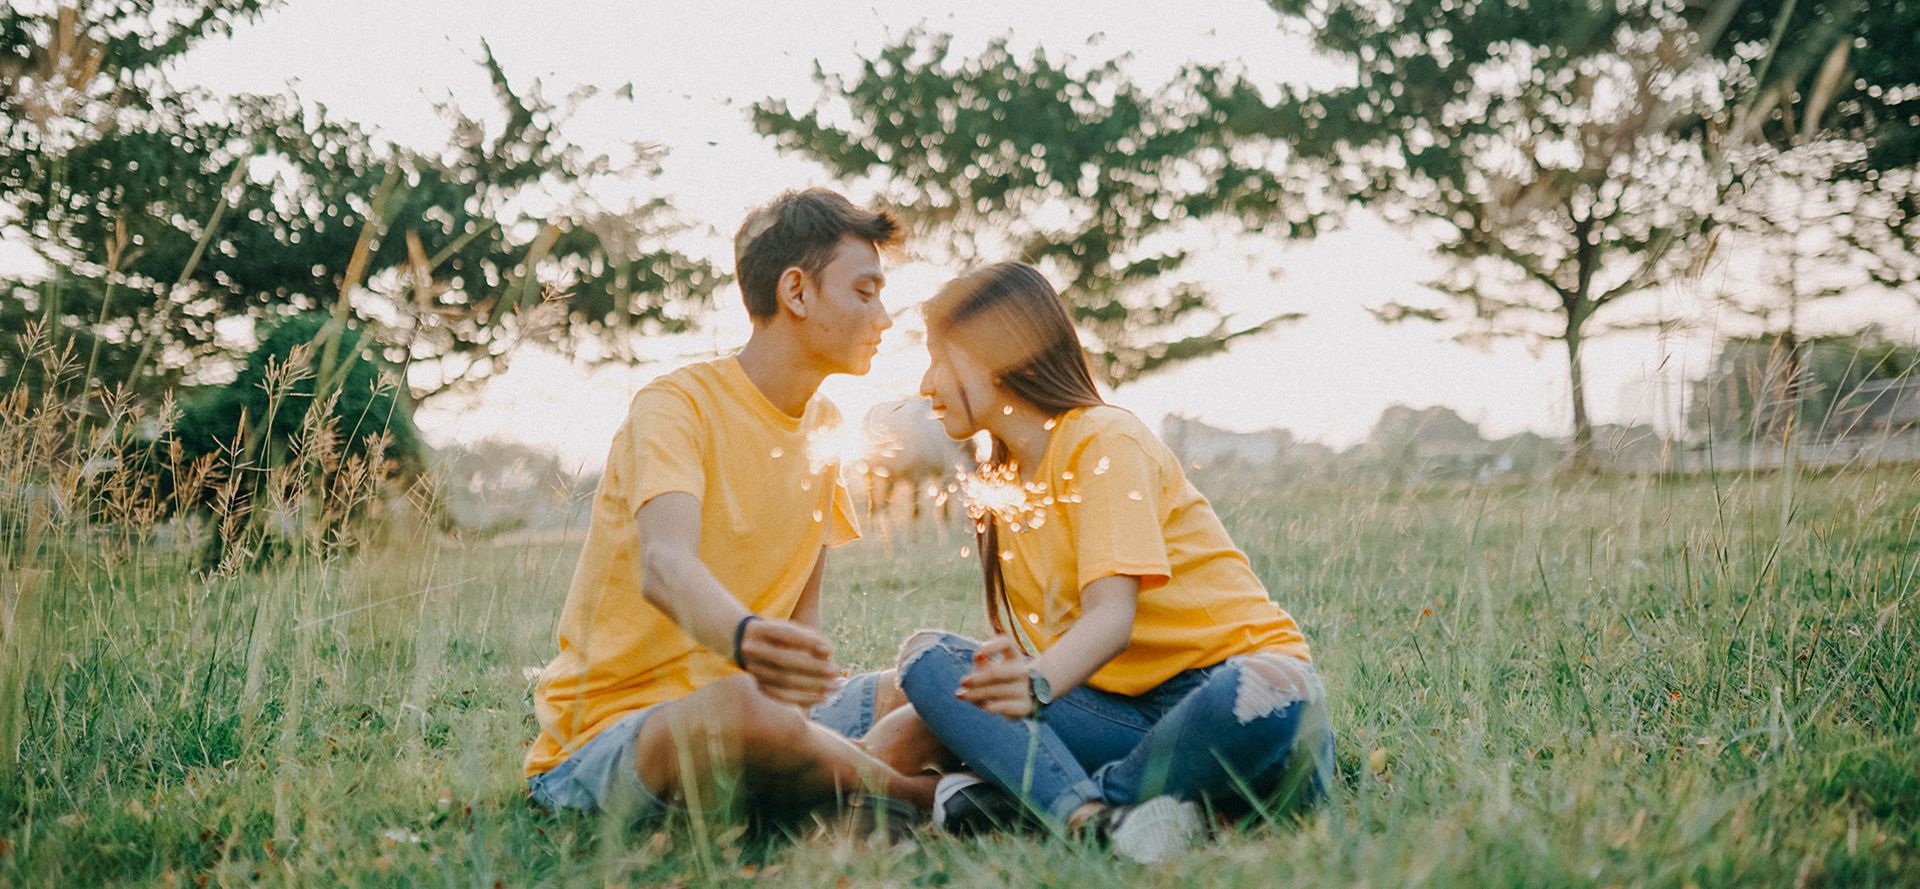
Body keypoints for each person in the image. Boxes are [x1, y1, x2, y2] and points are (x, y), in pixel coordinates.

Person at [880, 261, 1336, 862]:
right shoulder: (1001, 486)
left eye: (939, 357)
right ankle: (1098, 820)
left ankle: (1055, 802)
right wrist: (1009, 671)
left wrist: (1034, 682)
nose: (925, 385)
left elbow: (1110, 617)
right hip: (1123, 720)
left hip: (1227, 695)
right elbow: (1064, 648)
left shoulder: (1103, 440)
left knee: (1267, 690)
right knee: (932, 660)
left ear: (998, 353)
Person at [523, 188, 934, 825]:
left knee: (938, 684)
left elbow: (804, 627)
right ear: (796, 293)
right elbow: (664, 564)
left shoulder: (824, 428)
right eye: (864, 292)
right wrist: (745, 643)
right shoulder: (674, 406)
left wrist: (807, 708)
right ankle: (917, 798)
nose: (883, 317)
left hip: (768, 715)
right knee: (742, 708)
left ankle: (832, 769)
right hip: (613, 739)